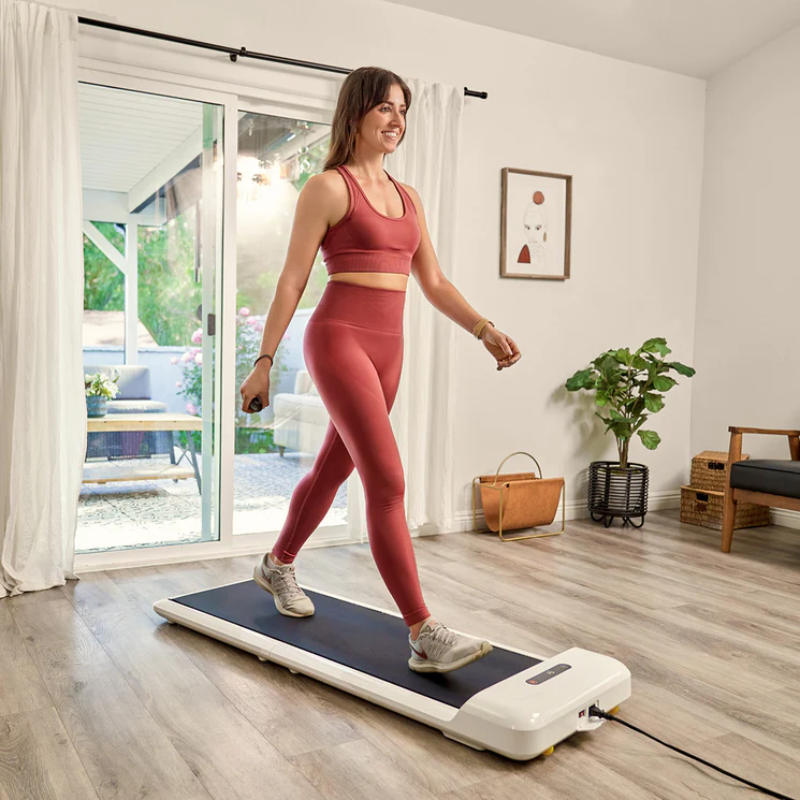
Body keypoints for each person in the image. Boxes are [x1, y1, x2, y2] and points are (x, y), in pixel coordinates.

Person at [239, 66, 522, 674]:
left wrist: (484, 328)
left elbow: (434, 281)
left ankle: (277, 563)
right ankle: (423, 630)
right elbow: (293, 279)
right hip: (338, 339)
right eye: (384, 108)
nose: (396, 120)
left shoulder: (409, 196)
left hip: (389, 348)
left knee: (332, 467)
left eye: (403, 109)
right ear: (357, 113)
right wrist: (263, 361)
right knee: (388, 482)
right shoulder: (327, 188)